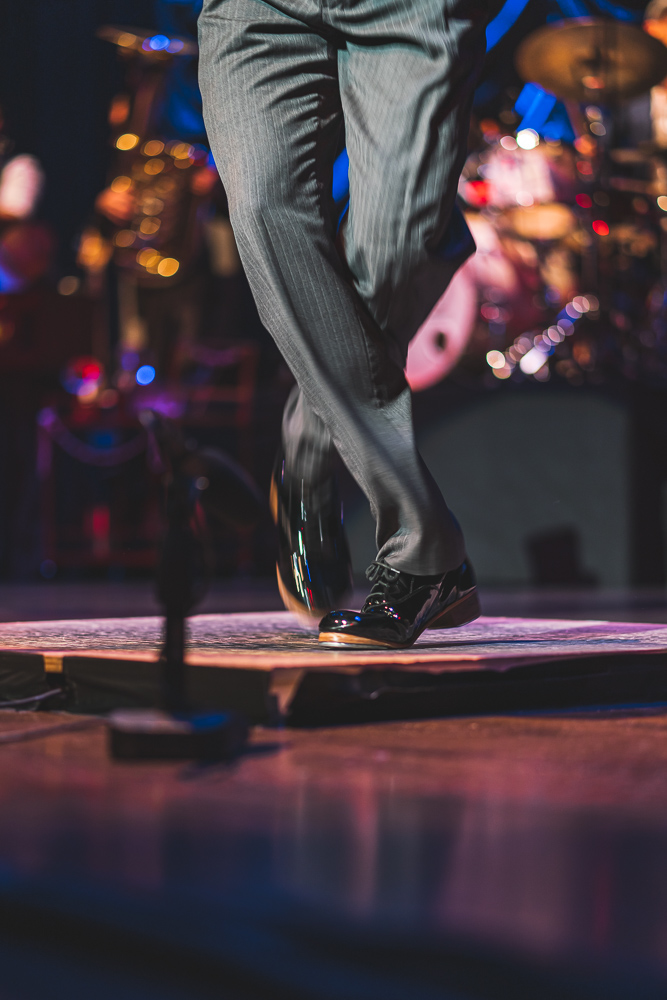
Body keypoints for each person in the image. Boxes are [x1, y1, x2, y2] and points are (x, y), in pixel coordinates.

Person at [197, 0, 487, 648]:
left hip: (410, 9)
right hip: (255, 11)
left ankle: (307, 448)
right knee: (266, 218)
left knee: (396, 249)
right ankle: (425, 556)